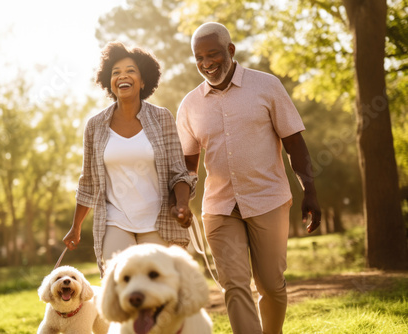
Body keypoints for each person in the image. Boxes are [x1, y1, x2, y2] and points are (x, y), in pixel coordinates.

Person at [175, 22, 321, 334]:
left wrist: (310, 191)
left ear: (230, 51)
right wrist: (182, 202)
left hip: (268, 198)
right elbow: (189, 164)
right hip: (219, 205)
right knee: (235, 286)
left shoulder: (266, 86)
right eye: (199, 58)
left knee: (271, 285)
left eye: (212, 54)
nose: (206, 63)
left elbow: (295, 144)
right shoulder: (190, 104)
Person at [63, 41, 195, 275]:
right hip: (115, 220)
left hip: (157, 219)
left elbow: (178, 172)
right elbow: (88, 182)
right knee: (120, 283)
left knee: (157, 289)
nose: (122, 76)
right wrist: (75, 227)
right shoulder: (95, 126)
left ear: (143, 80)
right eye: (116, 73)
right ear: (109, 82)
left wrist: (182, 205)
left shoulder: (162, 118)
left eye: (130, 71)